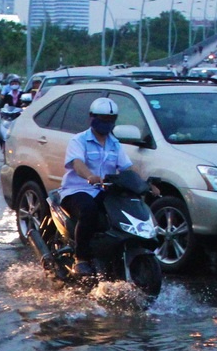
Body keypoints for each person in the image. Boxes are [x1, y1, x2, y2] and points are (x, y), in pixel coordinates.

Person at [58, 97, 151, 273]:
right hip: (76, 190)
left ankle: (110, 251)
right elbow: (77, 164)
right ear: (92, 118)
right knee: (89, 210)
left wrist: (143, 184)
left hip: (103, 190)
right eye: (103, 119)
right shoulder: (78, 141)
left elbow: (127, 167)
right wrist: (90, 175)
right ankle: (81, 257)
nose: (107, 123)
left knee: (121, 209)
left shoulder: (115, 144)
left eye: (110, 120)